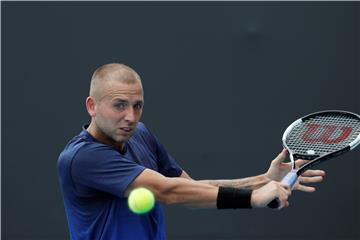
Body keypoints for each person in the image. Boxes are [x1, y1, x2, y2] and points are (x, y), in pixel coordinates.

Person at [57, 63, 325, 240]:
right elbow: (169, 192)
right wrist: (253, 197)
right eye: (119, 105)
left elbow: (190, 190)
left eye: (137, 105)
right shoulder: (82, 158)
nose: (131, 116)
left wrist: (264, 180)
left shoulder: (140, 135)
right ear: (92, 106)